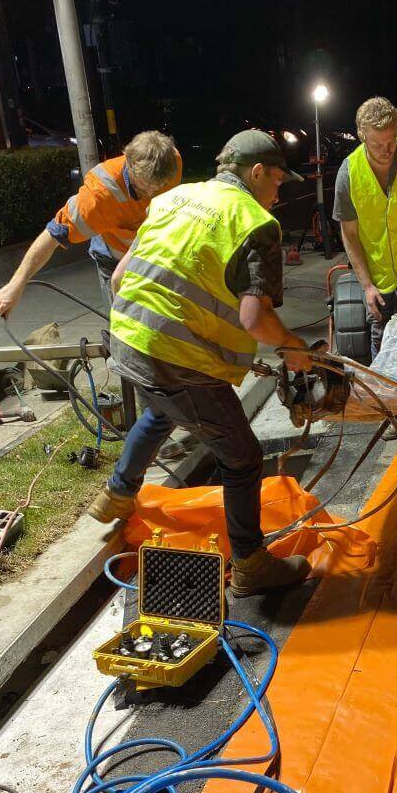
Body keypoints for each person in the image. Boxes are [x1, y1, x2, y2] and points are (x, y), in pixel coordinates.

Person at [88, 130, 315, 597]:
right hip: (174, 360)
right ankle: (252, 565)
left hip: (128, 343)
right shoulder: (256, 223)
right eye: (277, 182)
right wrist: (291, 345)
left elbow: (119, 277)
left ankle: (117, 492)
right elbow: (255, 318)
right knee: (244, 457)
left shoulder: (177, 198)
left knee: (163, 409)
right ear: (256, 173)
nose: (278, 193)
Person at [0, 131, 182, 317]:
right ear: (129, 162)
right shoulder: (98, 197)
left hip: (153, 254)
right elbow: (53, 235)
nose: (150, 194)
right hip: (113, 259)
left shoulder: (171, 162)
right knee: (123, 323)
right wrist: (16, 284)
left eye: (157, 188)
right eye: (143, 188)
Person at [333, 96, 397, 361]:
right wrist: (366, 285)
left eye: (391, 141)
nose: (387, 149)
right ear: (362, 137)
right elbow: (350, 235)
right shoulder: (348, 172)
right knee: (384, 359)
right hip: (379, 285)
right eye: (377, 144)